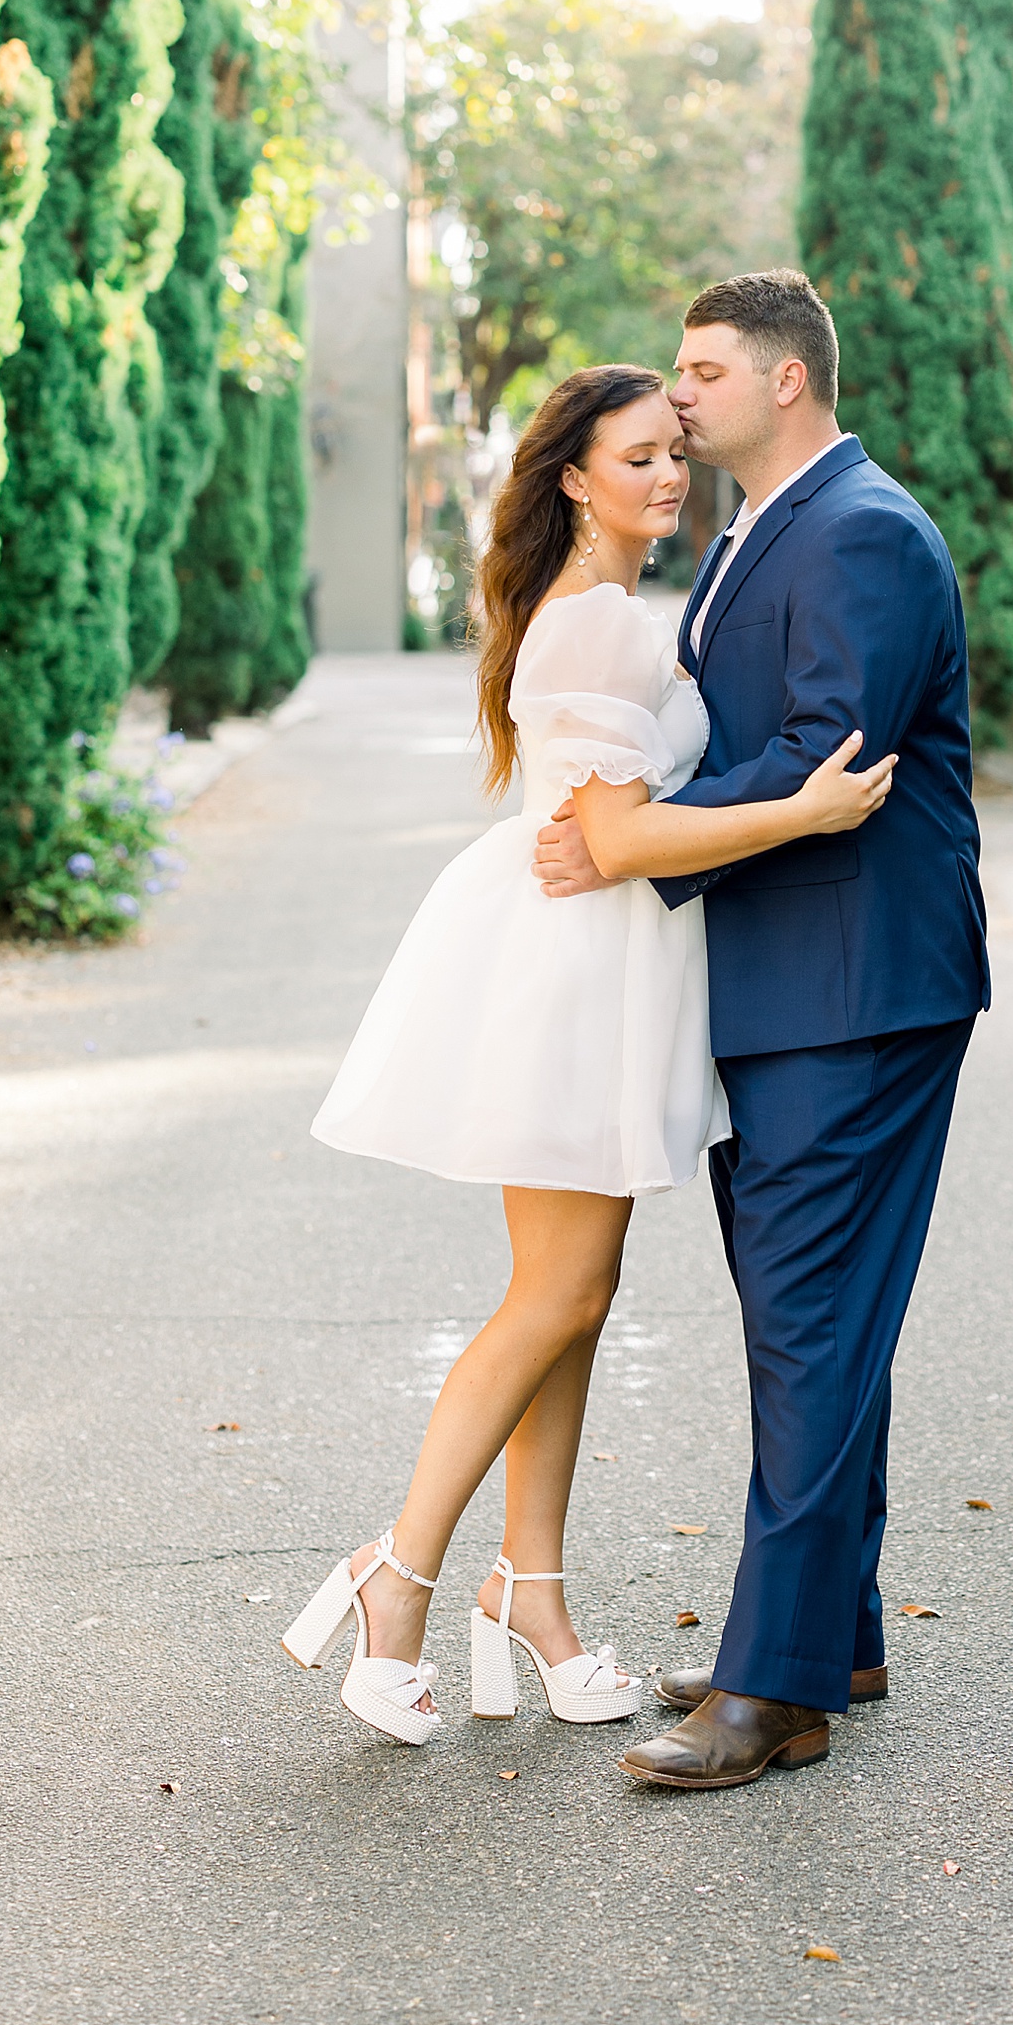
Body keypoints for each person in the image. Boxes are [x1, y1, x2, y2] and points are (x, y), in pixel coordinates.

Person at [283, 362, 896, 1749]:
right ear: (571, 476)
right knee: (553, 1295)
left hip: (589, 961)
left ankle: (535, 1591)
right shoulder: (601, 627)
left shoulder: (609, 615)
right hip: (575, 971)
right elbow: (622, 838)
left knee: (573, 1291)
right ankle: (402, 1576)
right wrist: (802, 811)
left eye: (674, 451)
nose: (668, 475)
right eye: (636, 458)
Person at [534, 271, 990, 1791]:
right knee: (818, 1323)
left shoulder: (858, 529)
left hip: (859, 990)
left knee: (806, 1325)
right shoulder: (758, 527)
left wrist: (632, 831)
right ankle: (833, 1635)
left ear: (786, 380)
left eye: (703, 369)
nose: (679, 396)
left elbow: (824, 754)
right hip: (799, 984)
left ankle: (774, 1688)